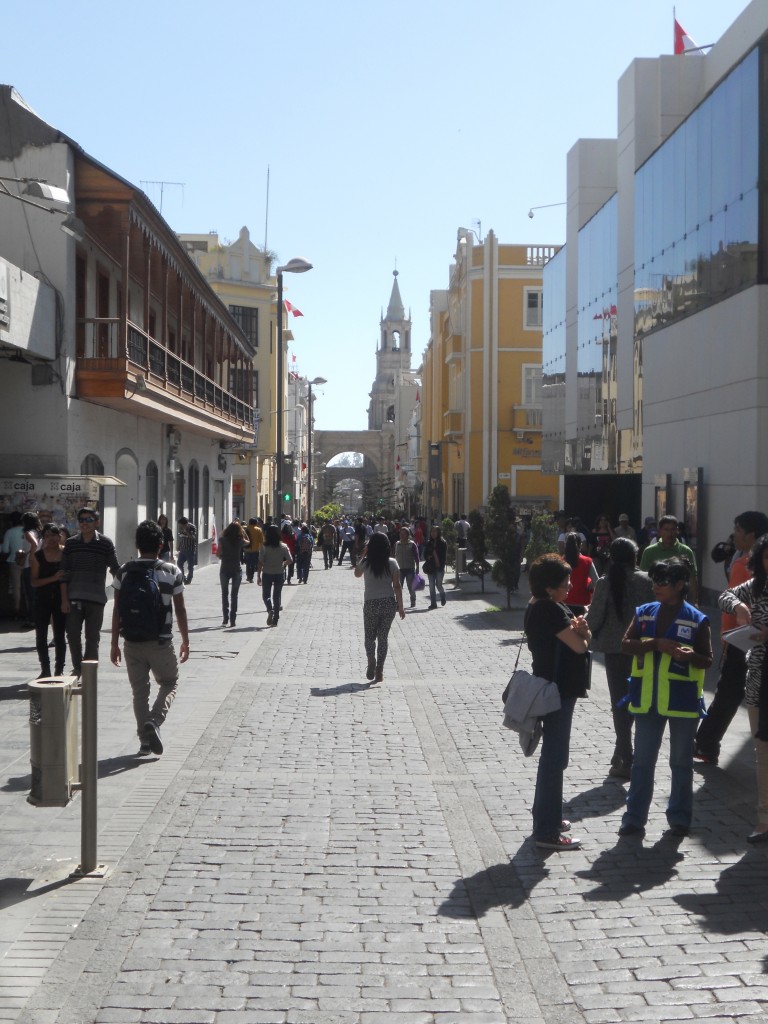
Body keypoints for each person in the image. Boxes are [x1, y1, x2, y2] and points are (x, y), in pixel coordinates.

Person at [618, 558, 712, 838]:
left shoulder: (697, 619)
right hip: (647, 701)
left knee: (681, 762)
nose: (656, 586)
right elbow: (625, 644)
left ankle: (680, 819)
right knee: (642, 761)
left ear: (680, 585)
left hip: (682, 702)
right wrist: (654, 644)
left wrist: (689, 656)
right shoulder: (645, 613)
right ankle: (634, 819)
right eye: (654, 581)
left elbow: (707, 659)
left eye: (663, 582)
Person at [525, 554, 592, 850]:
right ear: (550, 587)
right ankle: (547, 830)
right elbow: (579, 646)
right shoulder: (550, 610)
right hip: (557, 690)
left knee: (555, 756)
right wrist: (585, 634)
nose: (570, 585)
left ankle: (546, 813)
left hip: (555, 687)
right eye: (565, 582)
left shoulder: (539, 605)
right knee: (554, 758)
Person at [110, 519, 189, 757]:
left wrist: (114, 643)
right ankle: (154, 721)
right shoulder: (171, 572)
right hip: (160, 641)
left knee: (139, 691)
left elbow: (116, 609)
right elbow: (180, 609)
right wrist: (186, 639)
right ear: (161, 544)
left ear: (137, 544)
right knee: (170, 682)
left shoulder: (124, 571)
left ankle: (145, 741)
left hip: (132, 641)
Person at [695, 511, 768, 765]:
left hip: (742, 642)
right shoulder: (744, 560)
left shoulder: (744, 564)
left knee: (727, 694)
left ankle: (705, 743)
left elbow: (729, 604)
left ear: (750, 534)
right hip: (750, 639)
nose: (734, 534)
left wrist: (727, 639)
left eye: (737, 529)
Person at [586, 537, 654, 779]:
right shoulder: (647, 581)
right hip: (641, 648)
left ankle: (625, 755)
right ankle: (622, 752)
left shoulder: (605, 582)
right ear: (634, 556)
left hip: (614, 650)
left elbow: (594, 618)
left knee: (619, 702)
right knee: (634, 700)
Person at [717, 534, 768, 843]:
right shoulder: (756, 586)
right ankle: (764, 819)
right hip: (759, 680)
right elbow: (725, 596)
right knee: (762, 751)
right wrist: (739, 606)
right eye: (766, 557)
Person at [60, 508, 119, 677]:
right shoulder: (71, 543)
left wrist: (123, 585)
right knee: (72, 634)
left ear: (96, 522)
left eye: (88, 519)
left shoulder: (105, 543)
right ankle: (78, 667)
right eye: (81, 520)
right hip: (74, 597)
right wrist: (64, 600)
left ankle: (89, 670)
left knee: (93, 637)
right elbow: (63, 572)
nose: (84, 523)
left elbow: (115, 568)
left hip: (96, 598)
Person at [354, 531, 405, 683]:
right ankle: (380, 671)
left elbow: (356, 574)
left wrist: (363, 555)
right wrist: (401, 606)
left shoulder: (366, 563)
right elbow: (397, 586)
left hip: (370, 603)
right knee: (383, 638)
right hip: (388, 603)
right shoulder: (392, 563)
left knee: (369, 637)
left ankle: (371, 659)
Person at [30, 523, 67, 677]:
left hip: (61, 599)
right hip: (42, 599)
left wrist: (65, 601)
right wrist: (53, 578)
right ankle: (45, 669)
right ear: (43, 539)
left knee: (59, 635)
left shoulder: (66, 554)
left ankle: (59, 670)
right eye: (47, 536)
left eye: (53, 535)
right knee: (41, 635)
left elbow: (67, 579)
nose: (50, 539)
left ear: (60, 537)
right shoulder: (37, 556)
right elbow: (34, 582)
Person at [639, 515, 699, 603]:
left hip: (679, 602)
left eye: (673, 530)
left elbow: (692, 578)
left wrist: (694, 602)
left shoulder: (686, 551)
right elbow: (643, 579)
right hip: (655, 601)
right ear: (660, 531)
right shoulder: (649, 551)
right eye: (666, 530)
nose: (670, 534)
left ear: (677, 531)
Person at [257, 524, 292, 626]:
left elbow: (260, 562)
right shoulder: (283, 546)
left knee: (266, 595)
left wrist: (258, 575)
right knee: (277, 597)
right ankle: (275, 620)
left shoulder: (264, 547)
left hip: (267, 573)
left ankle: (269, 609)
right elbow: (290, 560)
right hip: (279, 573)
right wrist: (283, 563)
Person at [219, 520, 247, 627]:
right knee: (234, 595)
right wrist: (243, 532)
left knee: (224, 594)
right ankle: (233, 619)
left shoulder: (222, 539)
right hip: (236, 569)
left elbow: (218, 554)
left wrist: (223, 556)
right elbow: (248, 542)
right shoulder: (240, 540)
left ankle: (225, 618)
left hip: (224, 569)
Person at [563, 533, 598, 615]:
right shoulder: (587, 561)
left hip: (564, 602)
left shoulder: (561, 561)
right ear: (580, 545)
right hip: (582, 603)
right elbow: (596, 581)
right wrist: (590, 584)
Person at [1, 510, 25, 618]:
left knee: (16, 587)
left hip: (14, 561)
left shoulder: (9, 532)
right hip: (28, 561)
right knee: (28, 585)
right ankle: (28, 609)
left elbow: (5, 550)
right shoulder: (28, 532)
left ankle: (17, 609)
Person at [394, 526, 420, 609]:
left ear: (408, 535)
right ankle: (397, 603)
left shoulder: (412, 544)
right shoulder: (397, 544)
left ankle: (413, 601)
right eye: (400, 534)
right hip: (399, 569)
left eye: (404, 534)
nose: (402, 536)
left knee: (410, 587)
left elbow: (416, 557)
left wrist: (417, 567)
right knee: (398, 587)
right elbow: (393, 556)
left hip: (410, 569)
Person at [423, 524, 448, 610]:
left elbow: (443, 557)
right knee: (431, 585)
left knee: (439, 585)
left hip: (439, 567)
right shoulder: (429, 543)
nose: (433, 533)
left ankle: (442, 596)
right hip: (431, 567)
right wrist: (428, 557)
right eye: (431, 531)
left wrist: (440, 565)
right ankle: (433, 603)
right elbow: (424, 554)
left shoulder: (443, 542)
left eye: (435, 531)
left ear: (438, 532)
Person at [176, 516, 197, 585]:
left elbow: (193, 537)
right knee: (179, 564)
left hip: (190, 550)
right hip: (183, 549)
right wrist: (179, 546)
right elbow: (182, 537)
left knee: (190, 566)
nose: (181, 526)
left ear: (185, 524)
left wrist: (187, 530)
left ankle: (189, 579)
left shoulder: (192, 527)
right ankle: (183, 578)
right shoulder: (182, 528)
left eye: (181, 525)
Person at [243, 517, 264, 583]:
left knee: (248, 563)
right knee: (254, 563)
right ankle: (251, 577)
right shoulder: (258, 530)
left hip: (247, 549)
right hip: (256, 550)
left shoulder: (245, 529)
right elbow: (261, 541)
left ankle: (248, 576)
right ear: (256, 523)